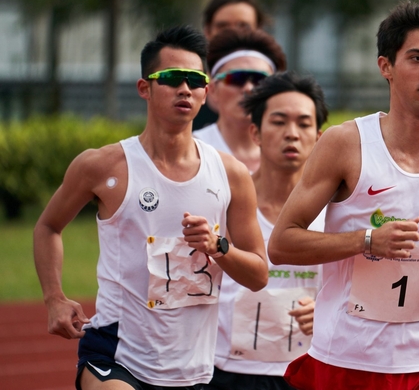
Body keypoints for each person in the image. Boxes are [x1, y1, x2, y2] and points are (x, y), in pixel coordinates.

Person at [269, 1, 419, 390]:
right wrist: (367, 240)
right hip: (348, 355)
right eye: (417, 58)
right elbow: (282, 243)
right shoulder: (346, 144)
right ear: (386, 67)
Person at [33, 25, 269, 390]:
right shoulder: (103, 166)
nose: (185, 88)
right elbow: (48, 227)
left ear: (206, 92)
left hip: (193, 368)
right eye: (172, 78)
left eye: (195, 79)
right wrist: (54, 298)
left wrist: (218, 246)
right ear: (145, 88)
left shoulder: (232, 174)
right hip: (116, 355)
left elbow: (258, 274)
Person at [210, 71, 329, 390]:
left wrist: (329, 313)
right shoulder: (221, 200)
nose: (292, 133)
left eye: (303, 124)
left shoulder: (338, 212)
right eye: (278, 122)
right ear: (256, 132)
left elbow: (359, 291)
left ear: (319, 136)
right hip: (226, 371)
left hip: (310, 370)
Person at [193, 28, 287, 173]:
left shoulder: (292, 152)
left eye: (260, 80)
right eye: (236, 78)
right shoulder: (192, 150)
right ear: (212, 90)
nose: (248, 88)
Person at [194, 0, 270, 130]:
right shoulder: (187, 86)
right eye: (223, 27)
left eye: (243, 26)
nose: (233, 34)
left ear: (259, 32)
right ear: (207, 32)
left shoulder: (277, 91)